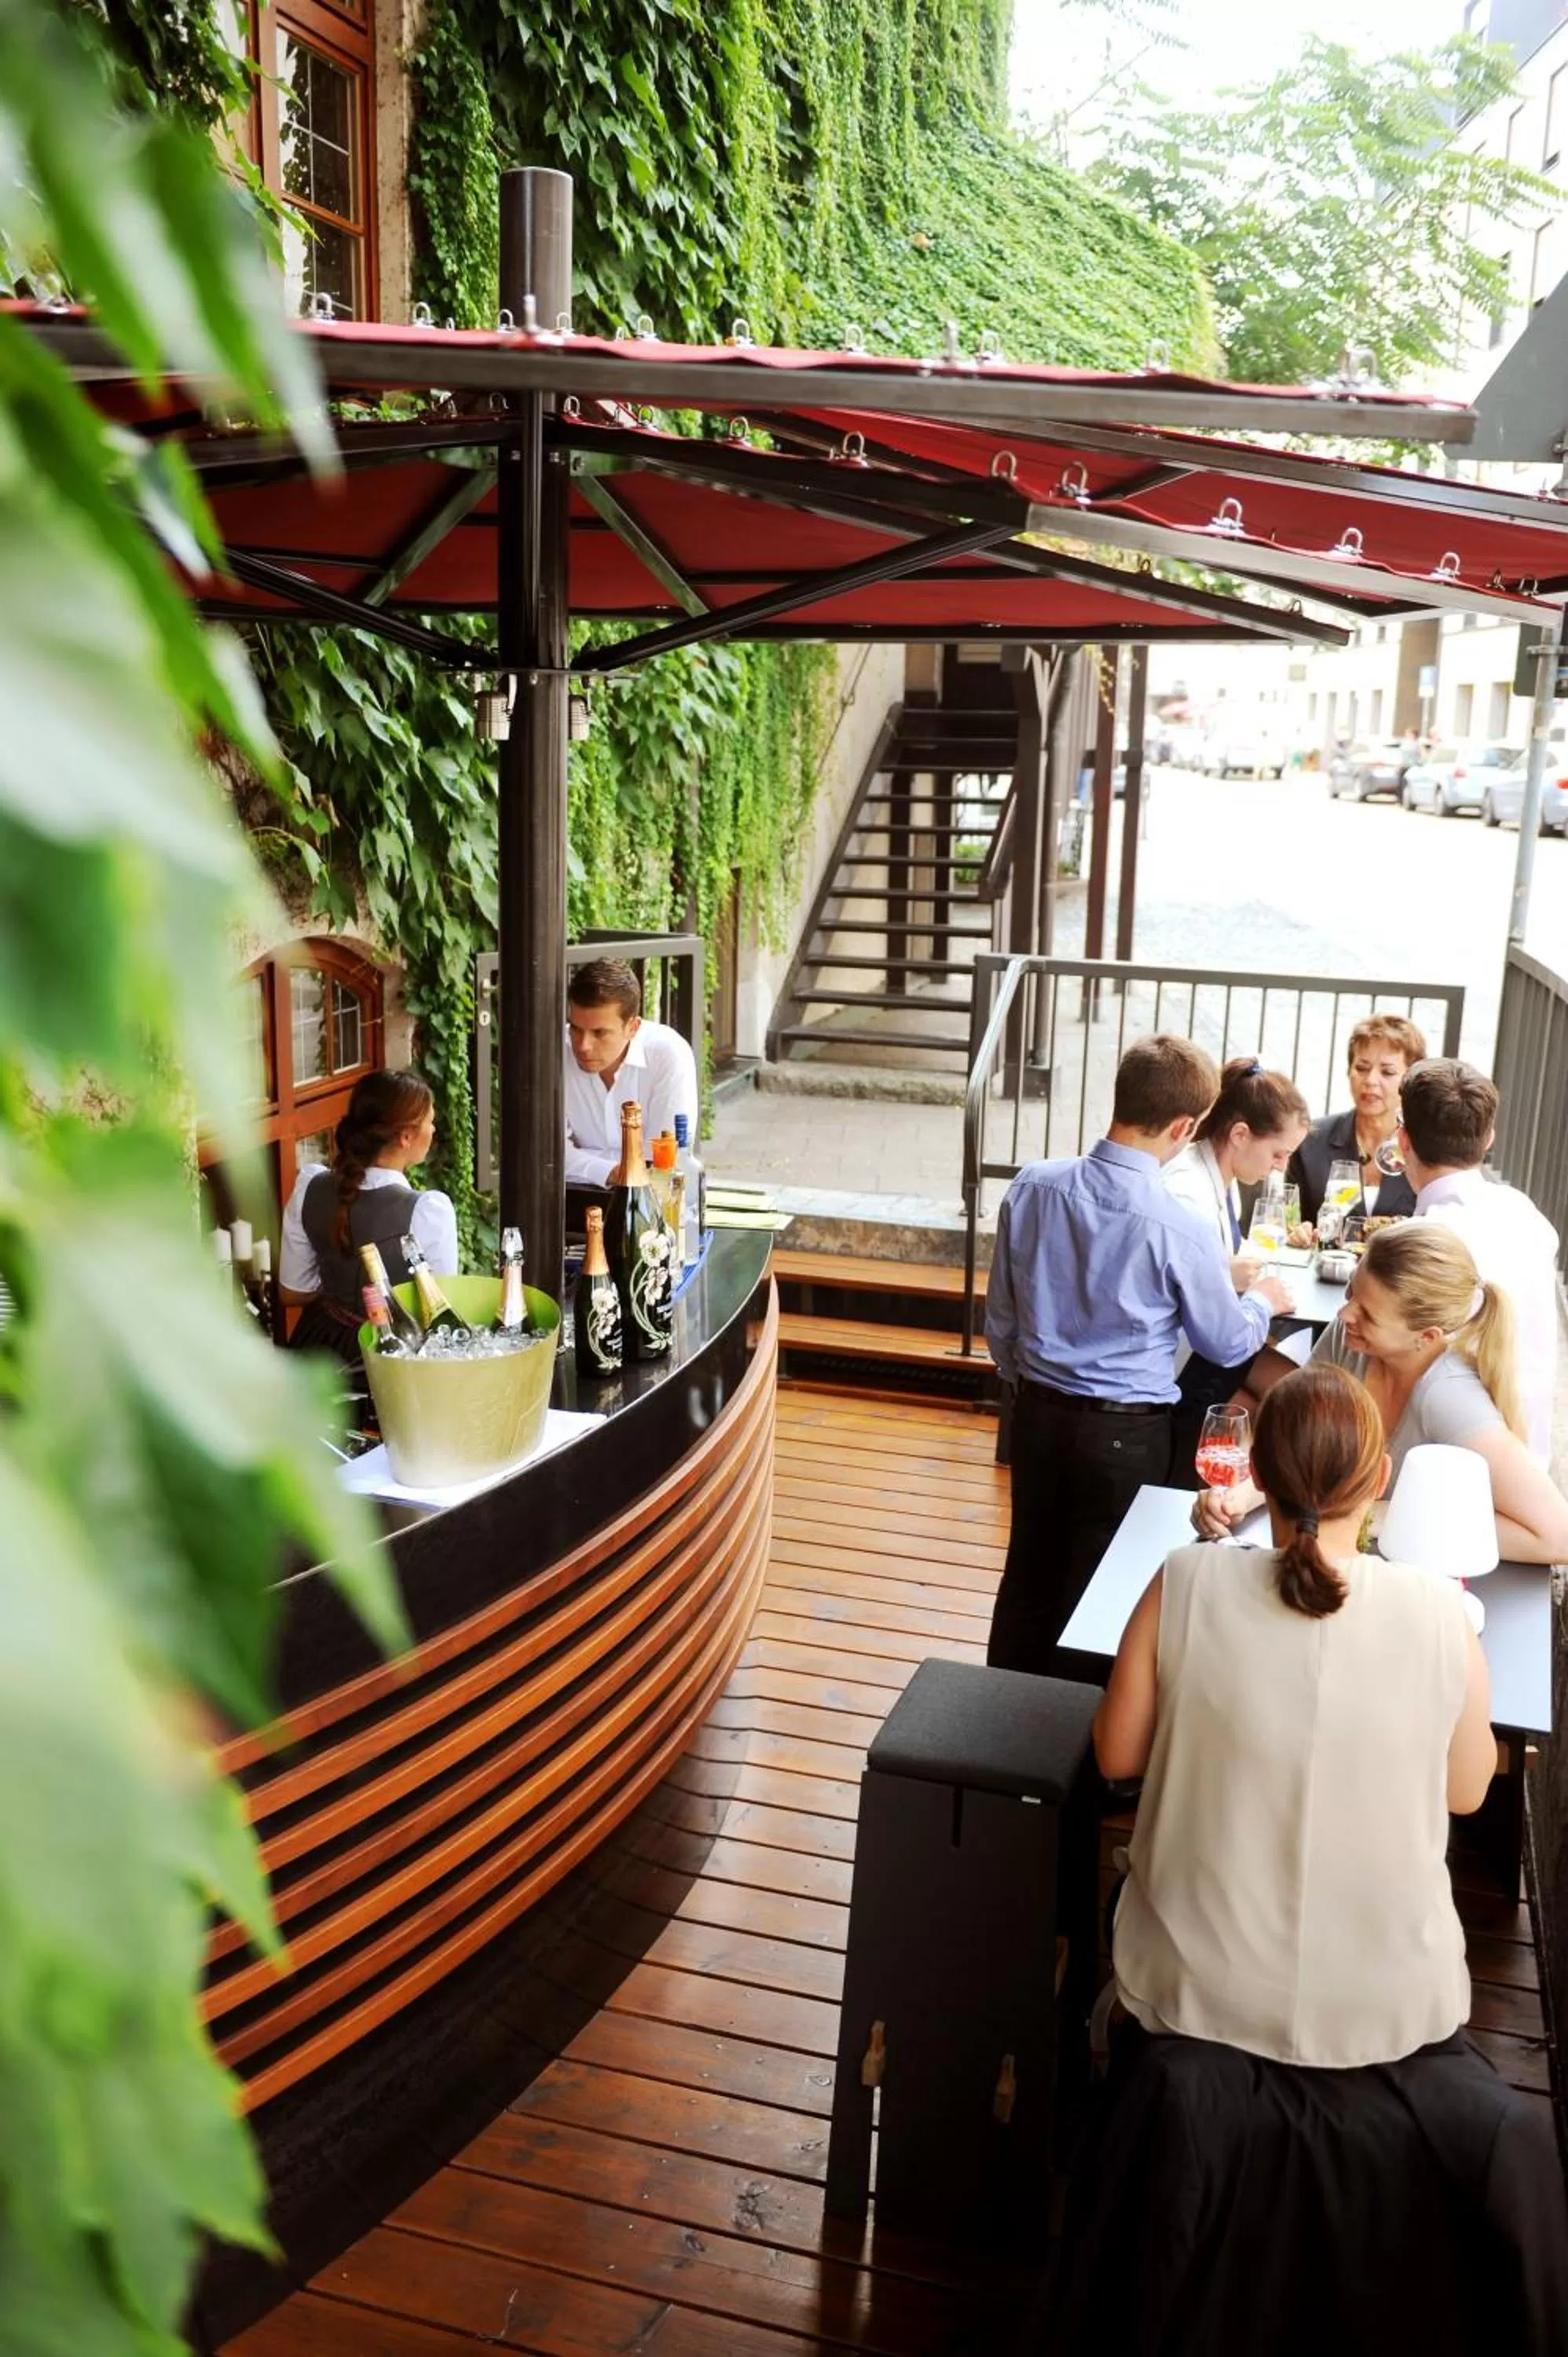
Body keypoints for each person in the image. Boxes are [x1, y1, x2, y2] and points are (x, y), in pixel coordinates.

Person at [1099, 1361, 1493, 2066]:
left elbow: (1117, 1756)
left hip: (1191, 1986)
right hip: (1391, 2002)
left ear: (1257, 1471)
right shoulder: (1441, 1613)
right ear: (1380, 1480)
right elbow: (1466, 1792)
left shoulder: (1187, 1578)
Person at [984, 1036, 1292, 1671]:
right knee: (1104, 1589)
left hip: (1035, 1414)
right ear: (1185, 1127)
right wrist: (1261, 1300)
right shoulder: (1180, 1225)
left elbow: (1001, 1324)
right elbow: (1226, 1341)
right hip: (1123, 1433)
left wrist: (1029, 1382)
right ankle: (1074, 1742)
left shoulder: (1033, 1186)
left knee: (1029, 1571)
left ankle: (998, 1730)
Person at [1196, 1224, 1568, 1564]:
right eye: (1351, 1292)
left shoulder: (1451, 1397)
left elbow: (1557, 1537)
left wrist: (1370, 1515)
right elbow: (1301, 1445)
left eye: (1369, 1315)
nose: (1343, 1314)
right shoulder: (1351, 1341)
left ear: (1427, 1337)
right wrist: (1239, 1498)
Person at [1399, 1057, 1559, 1466]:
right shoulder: (1523, 1210)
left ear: (1403, 1141)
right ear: (1488, 1139)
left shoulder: (1428, 1239)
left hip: (1445, 1465)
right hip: (1530, 1454)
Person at [1163, 1058, 1310, 1475]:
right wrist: (1258, 1300)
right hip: (1182, 1359)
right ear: (1241, 1134)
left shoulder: (1220, 1179)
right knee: (1300, 1396)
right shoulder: (1189, 1191)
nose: (1282, 1165)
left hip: (1200, 1345)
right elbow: (1216, 1330)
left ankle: (1237, 1488)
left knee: (1292, 1392)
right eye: (1279, 1153)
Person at [280, 1069, 456, 1363]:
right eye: (430, 1122)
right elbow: (437, 1314)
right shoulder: (429, 1213)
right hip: (389, 1358)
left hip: (316, 1351)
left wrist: (340, 1294)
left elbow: (292, 1293)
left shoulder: (310, 1186)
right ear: (405, 1137)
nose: (434, 1130)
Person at [565, 958, 698, 1188]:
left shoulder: (668, 1054)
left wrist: (582, 1162)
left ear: (633, 1028)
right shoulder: (555, 1051)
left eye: (599, 1033)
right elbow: (545, 1154)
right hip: (571, 1197)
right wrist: (615, 1172)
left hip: (651, 1203)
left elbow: (664, 1161)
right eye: (576, 1029)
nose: (583, 1045)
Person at [1287, 1011, 1425, 1230]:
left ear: (1410, 1079)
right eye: (1361, 1068)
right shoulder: (1312, 1140)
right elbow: (1289, 1222)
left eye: (1387, 1072)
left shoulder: (1427, 1147)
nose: (1370, 1081)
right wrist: (1298, 1233)